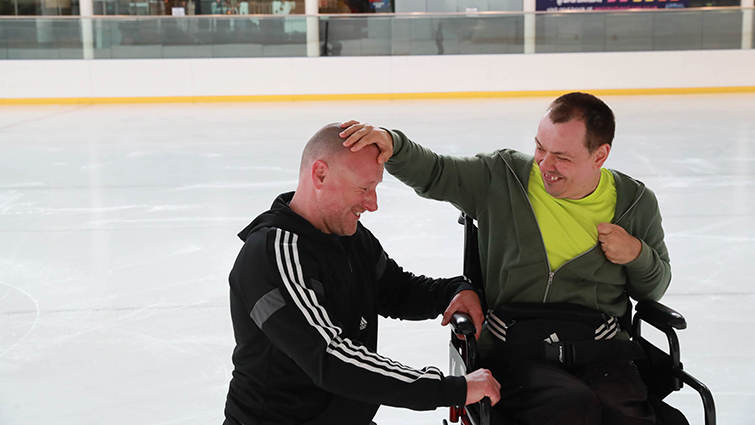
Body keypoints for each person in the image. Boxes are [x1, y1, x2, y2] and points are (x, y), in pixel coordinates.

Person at [340, 92, 672, 425]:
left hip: (602, 349)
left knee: (626, 414)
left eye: (562, 157)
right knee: (572, 405)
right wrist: (393, 145)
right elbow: (437, 173)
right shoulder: (502, 177)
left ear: (600, 155)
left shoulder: (636, 203)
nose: (545, 165)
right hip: (517, 346)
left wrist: (637, 255)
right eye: (540, 148)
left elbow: (653, 289)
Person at [223, 123, 501, 425]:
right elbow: (330, 359)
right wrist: (452, 390)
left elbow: (398, 292)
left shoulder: (350, 237)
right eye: (364, 188)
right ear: (320, 174)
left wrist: (455, 291)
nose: (373, 204)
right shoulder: (273, 253)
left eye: (376, 188)